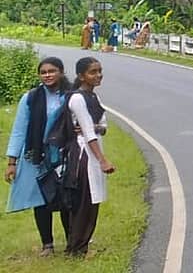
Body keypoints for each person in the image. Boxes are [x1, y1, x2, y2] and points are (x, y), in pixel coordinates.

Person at [4, 57, 73, 257]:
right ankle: (47, 245)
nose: (48, 75)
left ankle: (72, 242)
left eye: (52, 71)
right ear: (38, 75)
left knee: (66, 198)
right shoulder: (31, 98)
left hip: (63, 154)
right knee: (40, 199)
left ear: (61, 72)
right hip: (36, 155)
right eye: (43, 72)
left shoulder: (70, 96)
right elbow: (19, 130)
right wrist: (12, 161)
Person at [64, 56, 115, 257]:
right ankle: (75, 247)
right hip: (83, 153)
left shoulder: (94, 97)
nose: (98, 75)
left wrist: (95, 129)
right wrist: (102, 160)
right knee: (84, 200)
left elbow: (103, 126)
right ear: (81, 76)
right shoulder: (77, 98)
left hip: (93, 149)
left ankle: (82, 245)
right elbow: (88, 131)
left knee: (93, 200)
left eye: (99, 71)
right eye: (93, 72)